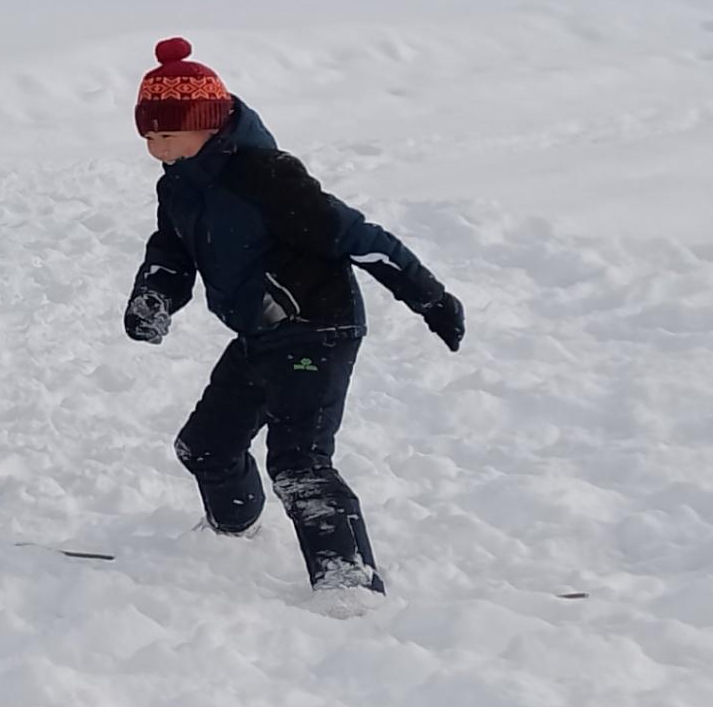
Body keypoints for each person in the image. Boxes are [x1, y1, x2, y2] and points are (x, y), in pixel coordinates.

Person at [121, 36, 465, 597]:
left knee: (299, 464)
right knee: (204, 446)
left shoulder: (268, 178)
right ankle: (232, 531)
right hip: (260, 335)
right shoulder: (181, 184)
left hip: (317, 330)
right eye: (149, 136)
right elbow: (172, 250)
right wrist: (154, 296)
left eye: (168, 133)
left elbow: (360, 237)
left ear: (209, 124)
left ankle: (348, 583)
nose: (157, 147)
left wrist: (429, 298)